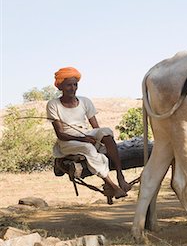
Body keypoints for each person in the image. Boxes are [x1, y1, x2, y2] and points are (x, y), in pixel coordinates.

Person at [46, 67, 131, 199]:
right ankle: (112, 186)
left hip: (86, 135)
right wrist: (85, 140)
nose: (73, 88)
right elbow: (60, 135)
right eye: (69, 85)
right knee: (88, 148)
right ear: (60, 86)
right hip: (68, 142)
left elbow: (96, 128)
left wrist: (98, 139)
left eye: (75, 85)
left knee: (106, 132)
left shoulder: (85, 101)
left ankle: (120, 176)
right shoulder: (53, 104)